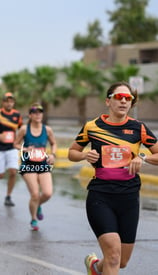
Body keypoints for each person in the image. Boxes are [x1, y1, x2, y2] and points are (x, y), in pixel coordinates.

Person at [68, 81, 158, 274]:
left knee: (121, 261)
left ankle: (95, 267)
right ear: (108, 101)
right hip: (100, 195)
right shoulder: (92, 127)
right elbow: (72, 152)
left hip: (129, 197)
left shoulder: (138, 128)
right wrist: (84, 155)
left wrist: (143, 157)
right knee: (114, 254)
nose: (124, 101)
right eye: (119, 97)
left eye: (128, 98)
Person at [14, 103, 56, 231]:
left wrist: (53, 154)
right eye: (35, 112)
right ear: (30, 115)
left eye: (40, 112)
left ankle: (38, 205)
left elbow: (54, 143)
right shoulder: (24, 129)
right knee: (35, 194)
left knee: (48, 193)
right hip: (28, 165)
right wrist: (25, 149)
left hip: (43, 164)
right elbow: (15, 144)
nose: (38, 114)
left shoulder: (47, 130)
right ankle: (33, 219)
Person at [0, 92, 23, 206]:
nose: (9, 103)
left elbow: (21, 130)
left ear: (13, 103)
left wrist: (20, 141)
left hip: (12, 147)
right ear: (3, 102)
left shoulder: (17, 115)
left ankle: (8, 197)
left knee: (13, 171)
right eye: (7, 101)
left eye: (11, 101)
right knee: (1, 176)